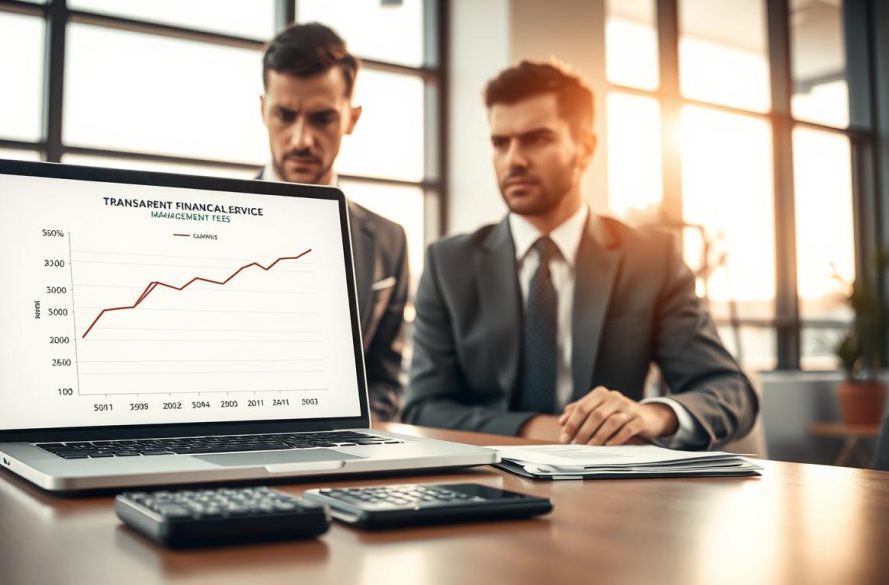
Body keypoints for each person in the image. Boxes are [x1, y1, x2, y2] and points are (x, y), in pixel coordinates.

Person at [401, 60, 758, 450]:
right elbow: (422, 407)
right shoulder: (449, 264)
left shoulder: (651, 259)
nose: (513, 160)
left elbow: (729, 391)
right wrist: (542, 428)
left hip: (612, 486)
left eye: (536, 139)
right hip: (486, 478)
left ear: (585, 149)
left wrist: (651, 415)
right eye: (500, 142)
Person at [257, 23, 410, 421]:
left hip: (340, 452)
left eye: (322, 119)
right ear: (263, 111)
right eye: (285, 116)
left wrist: (354, 428)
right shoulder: (205, 222)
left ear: (352, 118)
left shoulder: (389, 240)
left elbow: (387, 380)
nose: (301, 139)